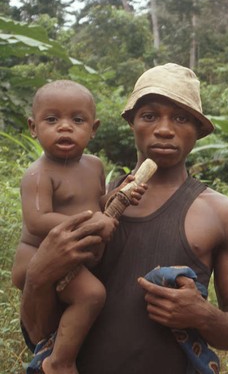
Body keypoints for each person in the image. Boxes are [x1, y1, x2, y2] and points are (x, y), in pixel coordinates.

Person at [19, 63, 228, 373]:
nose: (164, 129)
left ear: (199, 130)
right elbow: (37, 334)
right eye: (149, 115)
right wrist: (38, 275)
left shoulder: (223, 215)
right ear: (132, 123)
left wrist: (202, 315)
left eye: (181, 118)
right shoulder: (88, 210)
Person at [11, 80, 134, 374]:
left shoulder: (93, 165)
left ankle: (65, 350)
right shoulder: (39, 174)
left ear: (93, 128)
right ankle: (59, 362)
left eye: (77, 120)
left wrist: (115, 197)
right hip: (38, 259)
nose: (64, 127)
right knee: (91, 295)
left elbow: (95, 203)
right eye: (52, 119)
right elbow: (38, 220)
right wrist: (94, 222)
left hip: (74, 260)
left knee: (81, 306)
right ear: (33, 127)